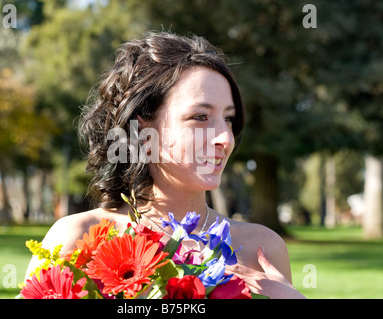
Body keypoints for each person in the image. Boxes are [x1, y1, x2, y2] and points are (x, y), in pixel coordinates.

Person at [25, 32, 305, 299]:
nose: (225, 138)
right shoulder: (77, 238)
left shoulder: (262, 248)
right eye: (200, 117)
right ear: (143, 132)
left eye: (229, 119)